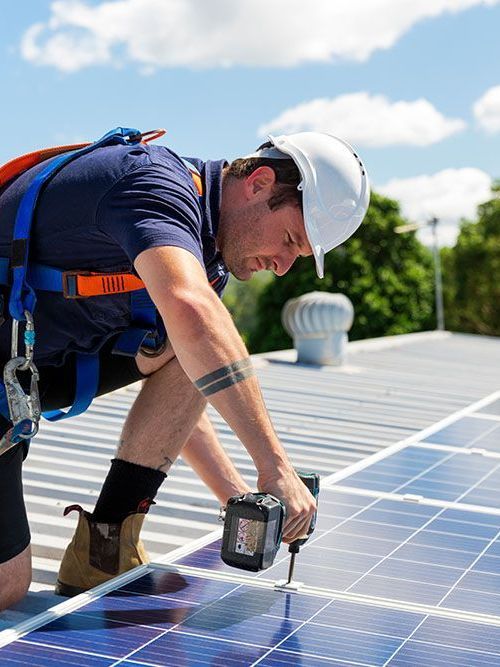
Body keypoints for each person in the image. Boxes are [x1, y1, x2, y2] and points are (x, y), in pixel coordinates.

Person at [0, 129, 369, 609]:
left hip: (18, 374)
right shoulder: (150, 183)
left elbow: (196, 374)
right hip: (15, 372)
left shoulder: (205, 257)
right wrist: (275, 467)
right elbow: (194, 314)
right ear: (258, 183)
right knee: (8, 586)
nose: (281, 267)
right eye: (289, 240)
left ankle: (104, 550)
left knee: (189, 348)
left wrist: (240, 499)